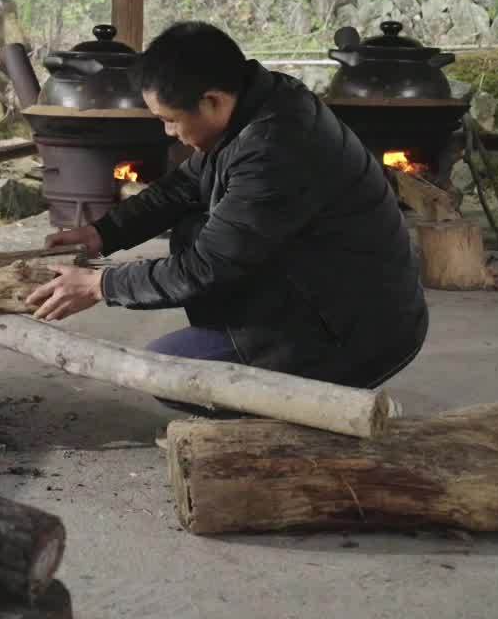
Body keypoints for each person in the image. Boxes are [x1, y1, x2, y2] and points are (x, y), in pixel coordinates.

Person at [23, 20, 428, 400]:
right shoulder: (256, 103)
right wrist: (102, 233)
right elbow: (183, 187)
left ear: (212, 101)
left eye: (170, 120)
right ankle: (249, 348)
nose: (167, 132)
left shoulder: (276, 147)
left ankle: (312, 387)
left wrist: (99, 286)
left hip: (357, 329)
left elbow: (206, 267)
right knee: (194, 228)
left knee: (166, 377)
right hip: (325, 292)